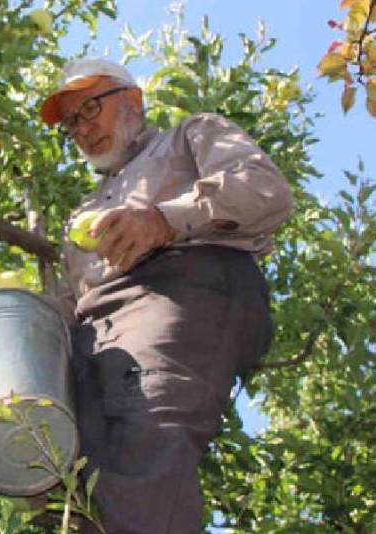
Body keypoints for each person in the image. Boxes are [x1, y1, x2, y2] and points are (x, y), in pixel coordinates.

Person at [39, 58, 294, 533]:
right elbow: (70, 302)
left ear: (132, 100)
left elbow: (266, 190)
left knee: (146, 436)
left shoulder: (189, 137)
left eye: (89, 108)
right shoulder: (85, 212)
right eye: (71, 122)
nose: (82, 129)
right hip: (96, 336)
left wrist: (164, 220)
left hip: (182, 289)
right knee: (76, 474)